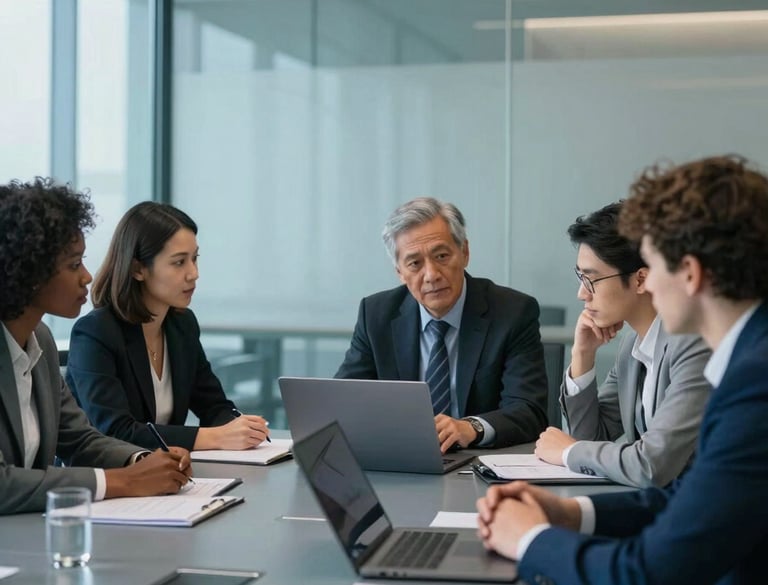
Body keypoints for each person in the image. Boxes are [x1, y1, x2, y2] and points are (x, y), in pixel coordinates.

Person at [476, 155, 768, 585]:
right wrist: (571, 512)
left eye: (653, 267)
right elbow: (696, 497)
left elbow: (646, 571)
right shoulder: (749, 358)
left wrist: (529, 539)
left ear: (688, 273)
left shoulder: (754, 384)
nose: (647, 285)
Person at [0, 178, 193, 515]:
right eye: (74, 265)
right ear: (28, 271)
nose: (87, 277)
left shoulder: (39, 339)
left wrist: (145, 461)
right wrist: (123, 482)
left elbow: (78, 438)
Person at [335, 197, 548, 452]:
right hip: (400, 462)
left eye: (442, 256)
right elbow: (343, 400)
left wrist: (472, 427)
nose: (432, 275)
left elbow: (528, 410)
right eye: (415, 263)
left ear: (465, 252)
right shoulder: (376, 315)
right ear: (400, 272)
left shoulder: (512, 312)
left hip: (478, 466)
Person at [66, 202, 270, 451]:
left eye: (194, 259)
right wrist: (216, 437)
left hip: (167, 476)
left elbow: (214, 406)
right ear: (138, 269)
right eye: (179, 262)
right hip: (105, 481)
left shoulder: (182, 326)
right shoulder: (96, 332)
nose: (193, 273)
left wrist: (243, 428)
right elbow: (115, 431)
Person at [534, 202, 711, 487]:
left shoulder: (694, 344)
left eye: (591, 280)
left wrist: (567, 452)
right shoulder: (632, 346)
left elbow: (651, 466)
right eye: (581, 278)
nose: (582, 294)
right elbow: (591, 439)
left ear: (641, 279)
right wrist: (583, 355)